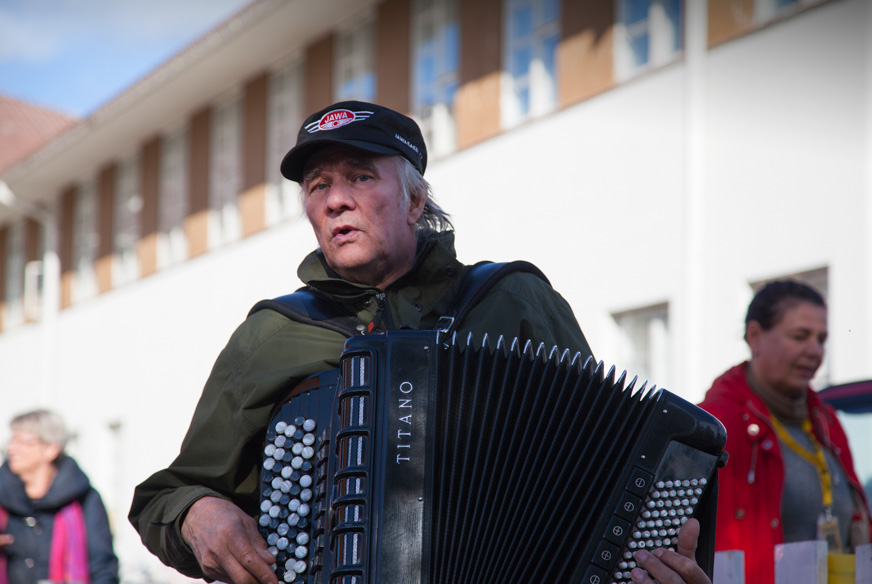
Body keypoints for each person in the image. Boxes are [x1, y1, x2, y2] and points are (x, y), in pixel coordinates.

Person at [129, 100, 713, 584]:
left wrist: (650, 562)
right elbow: (167, 495)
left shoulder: (510, 299)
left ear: (414, 201)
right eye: (317, 185)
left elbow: (610, 466)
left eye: (359, 176)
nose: (334, 200)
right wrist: (196, 514)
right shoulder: (273, 333)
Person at [700, 280, 872, 584]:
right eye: (800, 336)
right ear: (755, 336)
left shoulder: (827, 421)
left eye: (821, 339)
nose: (815, 350)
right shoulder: (714, 425)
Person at [0, 409, 119, 584]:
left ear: (51, 449)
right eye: (12, 440)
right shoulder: (3, 497)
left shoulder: (84, 499)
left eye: (22, 442)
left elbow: (102, 566)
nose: (12, 449)